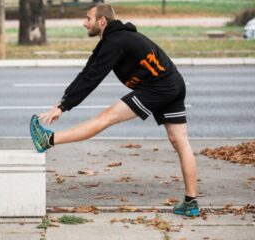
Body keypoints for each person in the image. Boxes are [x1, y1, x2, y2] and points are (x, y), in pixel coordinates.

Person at [30, 4, 199, 217]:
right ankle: (191, 202)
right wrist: (63, 103)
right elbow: (87, 71)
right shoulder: (113, 40)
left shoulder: (116, 42)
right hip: (172, 82)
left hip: (159, 87)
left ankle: (48, 140)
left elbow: (92, 78)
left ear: (102, 21)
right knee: (180, 142)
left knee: (105, 117)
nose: (84, 23)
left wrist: (64, 106)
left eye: (88, 18)